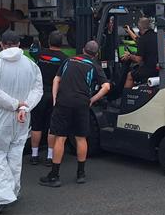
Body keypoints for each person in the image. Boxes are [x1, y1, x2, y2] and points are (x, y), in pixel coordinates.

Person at [0, 31, 43, 215]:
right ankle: (14, 190)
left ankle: (5, 195)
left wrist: (15, 105)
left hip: (1, 115)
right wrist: (24, 108)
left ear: (1, 44)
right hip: (23, 117)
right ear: (19, 44)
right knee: (15, 154)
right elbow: (37, 89)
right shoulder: (31, 65)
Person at [39, 41, 111, 187]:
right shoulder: (94, 65)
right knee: (81, 137)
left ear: (83, 49)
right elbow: (107, 86)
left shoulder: (69, 60)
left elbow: (56, 80)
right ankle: (81, 173)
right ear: (96, 54)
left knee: (60, 137)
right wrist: (92, 99)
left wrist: (55, 98)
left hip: (64, 102)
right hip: (82, 103)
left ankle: (54, 176)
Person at [30, 31, 69, 166]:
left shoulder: (40, 54)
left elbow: (32, 50)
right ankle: (49, 157)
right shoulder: (65, 59)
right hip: (54, 95)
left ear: (48, 42)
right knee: (52, 127)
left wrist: (36, 42)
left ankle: (34, 155)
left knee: (36, 125)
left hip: (39, 94)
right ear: (62, 43)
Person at [122, 17, 159, 88]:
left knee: (130, 75)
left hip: (149, 69)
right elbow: (138, 41)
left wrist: (129, 56)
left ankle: (126, 96)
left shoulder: (144, 39)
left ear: (140, 27)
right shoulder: (156, 35)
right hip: (157, 68)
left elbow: (138, 60)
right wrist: (129, 31)